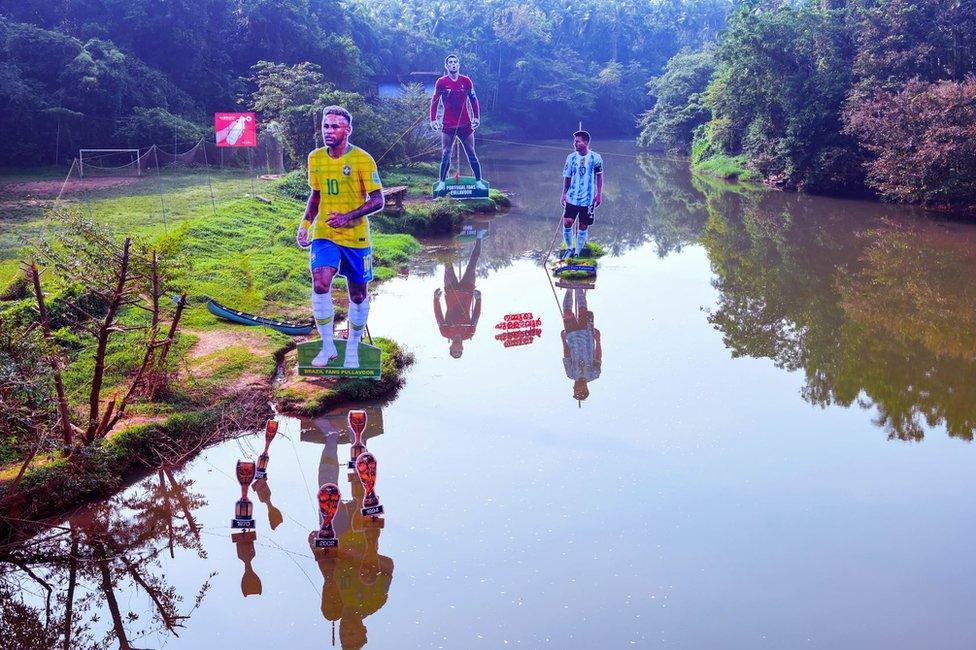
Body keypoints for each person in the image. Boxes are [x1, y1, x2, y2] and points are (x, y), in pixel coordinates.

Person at [297, 106, 384, 369]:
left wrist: (348, 216)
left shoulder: (363, 159)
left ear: (348, 130)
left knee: (358, 295)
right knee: (320, 282)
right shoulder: (315, 158)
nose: (329, 131)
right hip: (325, 233)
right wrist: (305, 223)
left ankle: (353, 350)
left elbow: (378, 200)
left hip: (356, 238)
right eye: (326, 126)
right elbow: (316, 195)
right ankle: (328, 347)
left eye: (335, 126)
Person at [430, 54, 486, 193]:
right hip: (448, 124)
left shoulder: (466, 81)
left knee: (471, 152)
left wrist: (476, 117)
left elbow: (473, 99)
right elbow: (435, 100)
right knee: (446, 153)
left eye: (455, 62)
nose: (453, 64)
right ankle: (442, 182)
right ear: (446, 66)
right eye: (450, 62)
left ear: (458, 65)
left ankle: (478, 181)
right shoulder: (441, 82)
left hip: (465, 124)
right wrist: (433, 119)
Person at [434, 237, 483, 358]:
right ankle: (479, 237)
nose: (456, 349)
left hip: (451, 291)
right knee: (473, 263)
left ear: (450, 348)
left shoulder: (444, 332)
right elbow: (476, 315)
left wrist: (436, 299)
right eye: (459, 352)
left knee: (447, 264)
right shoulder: (469, 333)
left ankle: (448, 239)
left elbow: (438, 315)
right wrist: (479, 299)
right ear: (462, 348)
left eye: (454, 351)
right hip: (467, 290)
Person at [560, 130, 604, 259]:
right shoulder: (571, 158)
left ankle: (578, 252)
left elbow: (599, 176)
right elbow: (567, 177)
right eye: (574, 141)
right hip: (572, 198)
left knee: (583, 225)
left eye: (578, 141)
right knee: (568, 222)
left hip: (588, 199)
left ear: (586, 142)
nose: (575, 144)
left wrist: (599, 194)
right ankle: (569, 248)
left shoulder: (596, 158)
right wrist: (564, 194)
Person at [561, 287, 601, 403]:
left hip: (572, 337)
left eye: (574, 390)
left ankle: (569, 289)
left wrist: (564, 340)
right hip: (587, 335)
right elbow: (598, 357)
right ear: (585, 389)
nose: (574, 388)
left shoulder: (570, 373)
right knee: (583, 310)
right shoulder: (594, 374)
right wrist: (598, 341)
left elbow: (567, 355)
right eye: (577, 390)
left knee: (567, 312)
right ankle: (578, 286)